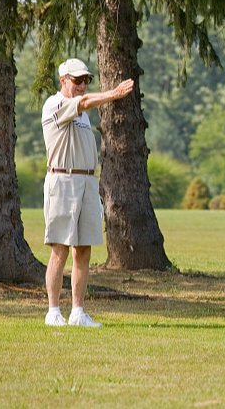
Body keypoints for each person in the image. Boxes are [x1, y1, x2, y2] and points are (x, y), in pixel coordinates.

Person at [42, 58, 134, 327]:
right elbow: (82, 103)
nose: (82, 85)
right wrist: (113, 94)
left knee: (83, 251)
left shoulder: (81, 115)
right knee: (60, 248)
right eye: (77, 80)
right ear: (63, 81)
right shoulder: (55, 104)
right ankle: (53, 311)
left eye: (86, 80)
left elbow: (83, 106)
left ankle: (78, 312)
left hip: (86, 183)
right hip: (62, 182)